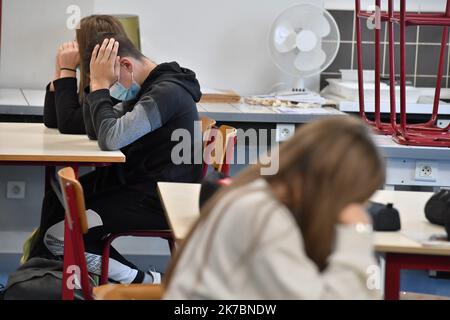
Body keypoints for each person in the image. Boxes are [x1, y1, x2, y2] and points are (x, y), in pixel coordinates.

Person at [31, 19, 203, 285]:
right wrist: (95, 85)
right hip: (138, 185)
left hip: (159, 199)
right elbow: (95, 130)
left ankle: (146, 282)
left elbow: (111, 139)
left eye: (113, 80)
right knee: (58, 201)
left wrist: (100, 86)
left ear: (125, 65)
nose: (113, 88)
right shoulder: (148, 88)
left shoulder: (166, 93)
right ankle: (39, 279)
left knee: (58, 236)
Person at [164, 117, 385, 299]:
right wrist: (357, 233)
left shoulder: (260, 197)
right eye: (355, 199)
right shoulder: (264, 215)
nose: (357, 208)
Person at [43, 15, 127, 133]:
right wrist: (59, 69)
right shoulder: (91, 81)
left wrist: (67, 69)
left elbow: (69, 123)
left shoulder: (116, 86)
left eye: (77, 42)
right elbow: (52, 120)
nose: (74, 48)